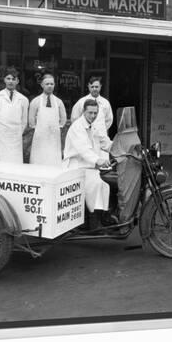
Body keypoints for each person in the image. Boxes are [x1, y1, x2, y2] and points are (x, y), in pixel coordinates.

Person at [63, 99, 112, 229]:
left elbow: (104, 141)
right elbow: (84, 150)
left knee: (107, 181)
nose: (93, 116)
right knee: (97, 183)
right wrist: (98, 160)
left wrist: (119, 148)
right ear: (84, 111)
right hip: (76, 165)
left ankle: (104, 216)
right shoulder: (77, 127)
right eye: (90, 113)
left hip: (89, 165)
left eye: (95, 113)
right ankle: (93, 223)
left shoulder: (94, 125)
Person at [0, 66, 29, 163]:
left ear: (17, 81)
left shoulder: (23, 99)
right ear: (4, 80)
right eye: (8, 78)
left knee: (14, 160)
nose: (11, 81)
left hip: (15, 134)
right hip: (1, 132)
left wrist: (18, 131)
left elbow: (24, 120)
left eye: (13, 79)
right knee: (0, 160)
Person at [28, 73, 67, 166]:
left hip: (54, 136)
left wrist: (58, 127)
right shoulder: (36, 101)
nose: (49, 86)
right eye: (47, 84)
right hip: (40, 136)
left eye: (51, 84)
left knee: (53, 158)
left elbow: (63, 118)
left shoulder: (58, 102)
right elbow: (31, 119)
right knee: (39, 158)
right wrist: (38, 128)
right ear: (42, 85)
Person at [70, 78, 113, 142]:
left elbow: (109, 119)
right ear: (88, 87)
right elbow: (75, 118)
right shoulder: (82, 102)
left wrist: (100, 129)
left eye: (96, 87)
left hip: (101, 137)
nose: (94, 89)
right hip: (85, 136)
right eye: (92, 87)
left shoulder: (105, 103)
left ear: (100, 86)